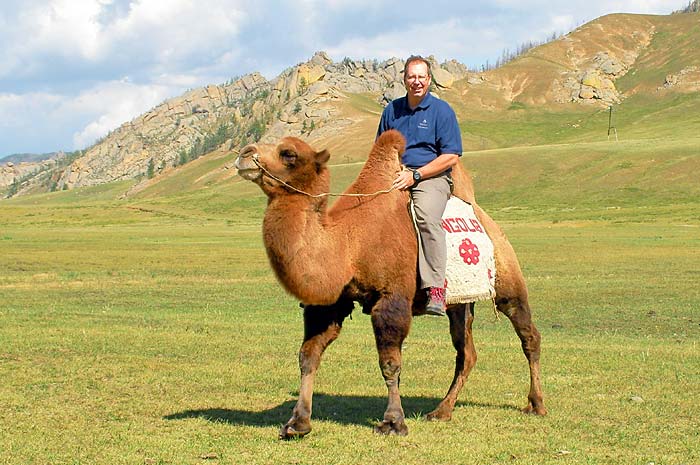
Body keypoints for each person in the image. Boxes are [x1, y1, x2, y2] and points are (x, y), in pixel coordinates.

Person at [376, 55, 463, 316]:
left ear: (429, 80)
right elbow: (380, 150)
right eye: (411, 77)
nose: (416, 82)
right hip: (397, 175)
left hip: (432, 177)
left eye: (421, 77)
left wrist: (416, 176)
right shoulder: (392, 110)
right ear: (404, 79)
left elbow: (451, 156)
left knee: (425, 217)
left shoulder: (442, 111)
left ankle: (436, 289)